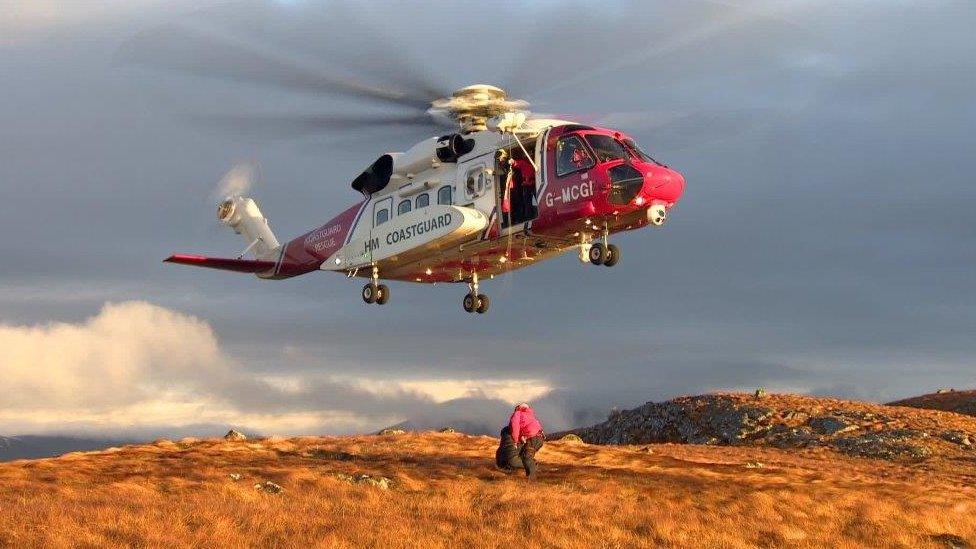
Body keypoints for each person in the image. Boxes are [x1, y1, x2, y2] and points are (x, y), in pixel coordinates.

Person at [509, 402, 545, 477]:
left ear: (518, 408)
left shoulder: (517, 413)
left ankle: (531, 480)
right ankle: (531, 471)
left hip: (533, 438)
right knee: (524, 455)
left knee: (526, 457)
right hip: (540, 438)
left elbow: (515, 427)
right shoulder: (530, 415)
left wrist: (515, 441)